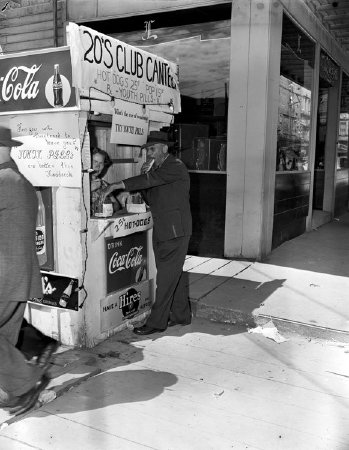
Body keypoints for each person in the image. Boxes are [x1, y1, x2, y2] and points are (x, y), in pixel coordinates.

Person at [102, 130, 192, 335]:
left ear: (164, 149)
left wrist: (119, 184)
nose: (149, 153)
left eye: (152, 149)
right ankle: (181, 315)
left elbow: (151, 180)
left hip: (175, 232)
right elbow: (153, 198)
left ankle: (157, 322)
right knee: (171, 276)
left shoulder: (174, 166)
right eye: (147, 150)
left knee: (166, 279)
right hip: (164, 230)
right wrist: (144, 181)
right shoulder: (159, 171)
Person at [0, 126, 56, 416]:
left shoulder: (3, 180)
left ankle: (25, 383)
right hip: (18, 276)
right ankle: (10, 391)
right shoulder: (20, 179)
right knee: (5, 336)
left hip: (5, 275)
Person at [90, 147, 120, 216]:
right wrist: (89, 189)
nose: (98, 166)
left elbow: (117, 205)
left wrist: (108, 207)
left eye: (101, 163)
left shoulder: (103, 184)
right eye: (95, 162)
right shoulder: (79, 183)